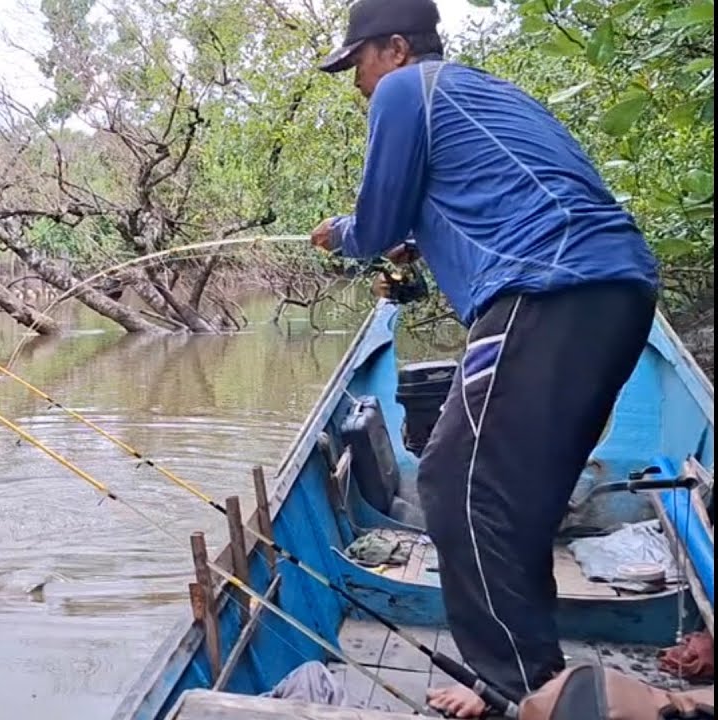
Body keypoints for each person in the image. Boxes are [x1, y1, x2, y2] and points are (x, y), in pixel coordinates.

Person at [308, 0, 661, 716]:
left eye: (360, 64)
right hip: (615, 292)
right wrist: (415, 236)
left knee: (453, 482)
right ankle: (543, 686)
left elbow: (375, 221)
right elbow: (480, 199)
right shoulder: (481, 94)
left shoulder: (409, 89)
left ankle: (516, 689)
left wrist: (342, 233)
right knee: (515, 503)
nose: (359, 85)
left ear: (397, 49)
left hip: (551, 288)